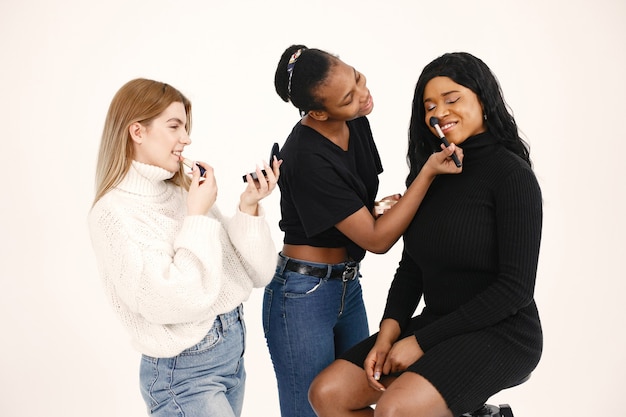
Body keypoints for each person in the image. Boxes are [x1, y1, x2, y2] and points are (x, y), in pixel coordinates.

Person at [309, 52, 544, 417]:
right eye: (429, 106)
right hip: (438, 324)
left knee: (395, 409)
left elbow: (514, 290)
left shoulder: (512, 176)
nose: (439, 112)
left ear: (483, 98)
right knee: (328, 394)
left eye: (453, 99)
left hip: (503, 330)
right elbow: (412, 268)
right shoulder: (431, 172)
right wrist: (388, 336)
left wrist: (420, 342)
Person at [263, 45, 464, 417]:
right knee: (309, 410)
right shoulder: (305, 155)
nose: (362, 94)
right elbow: (377, 239)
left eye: (356, 77)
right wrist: (428, 173)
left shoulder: (356, 123)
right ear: (319, 112)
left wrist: (372, 210)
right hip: (303, 295)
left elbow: (345, 206)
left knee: (352, 398)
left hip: (347, 285)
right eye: (348, 98)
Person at [88, 78, 281, 417]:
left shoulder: (182, 190)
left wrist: (248, 207)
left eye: (186, 127)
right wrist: (196, 215)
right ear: (137, 131)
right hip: (184, 370)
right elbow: (172, 301)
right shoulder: (113, 214)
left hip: (232, 349)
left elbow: (258, 272)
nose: (186, 138)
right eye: (174, 126)